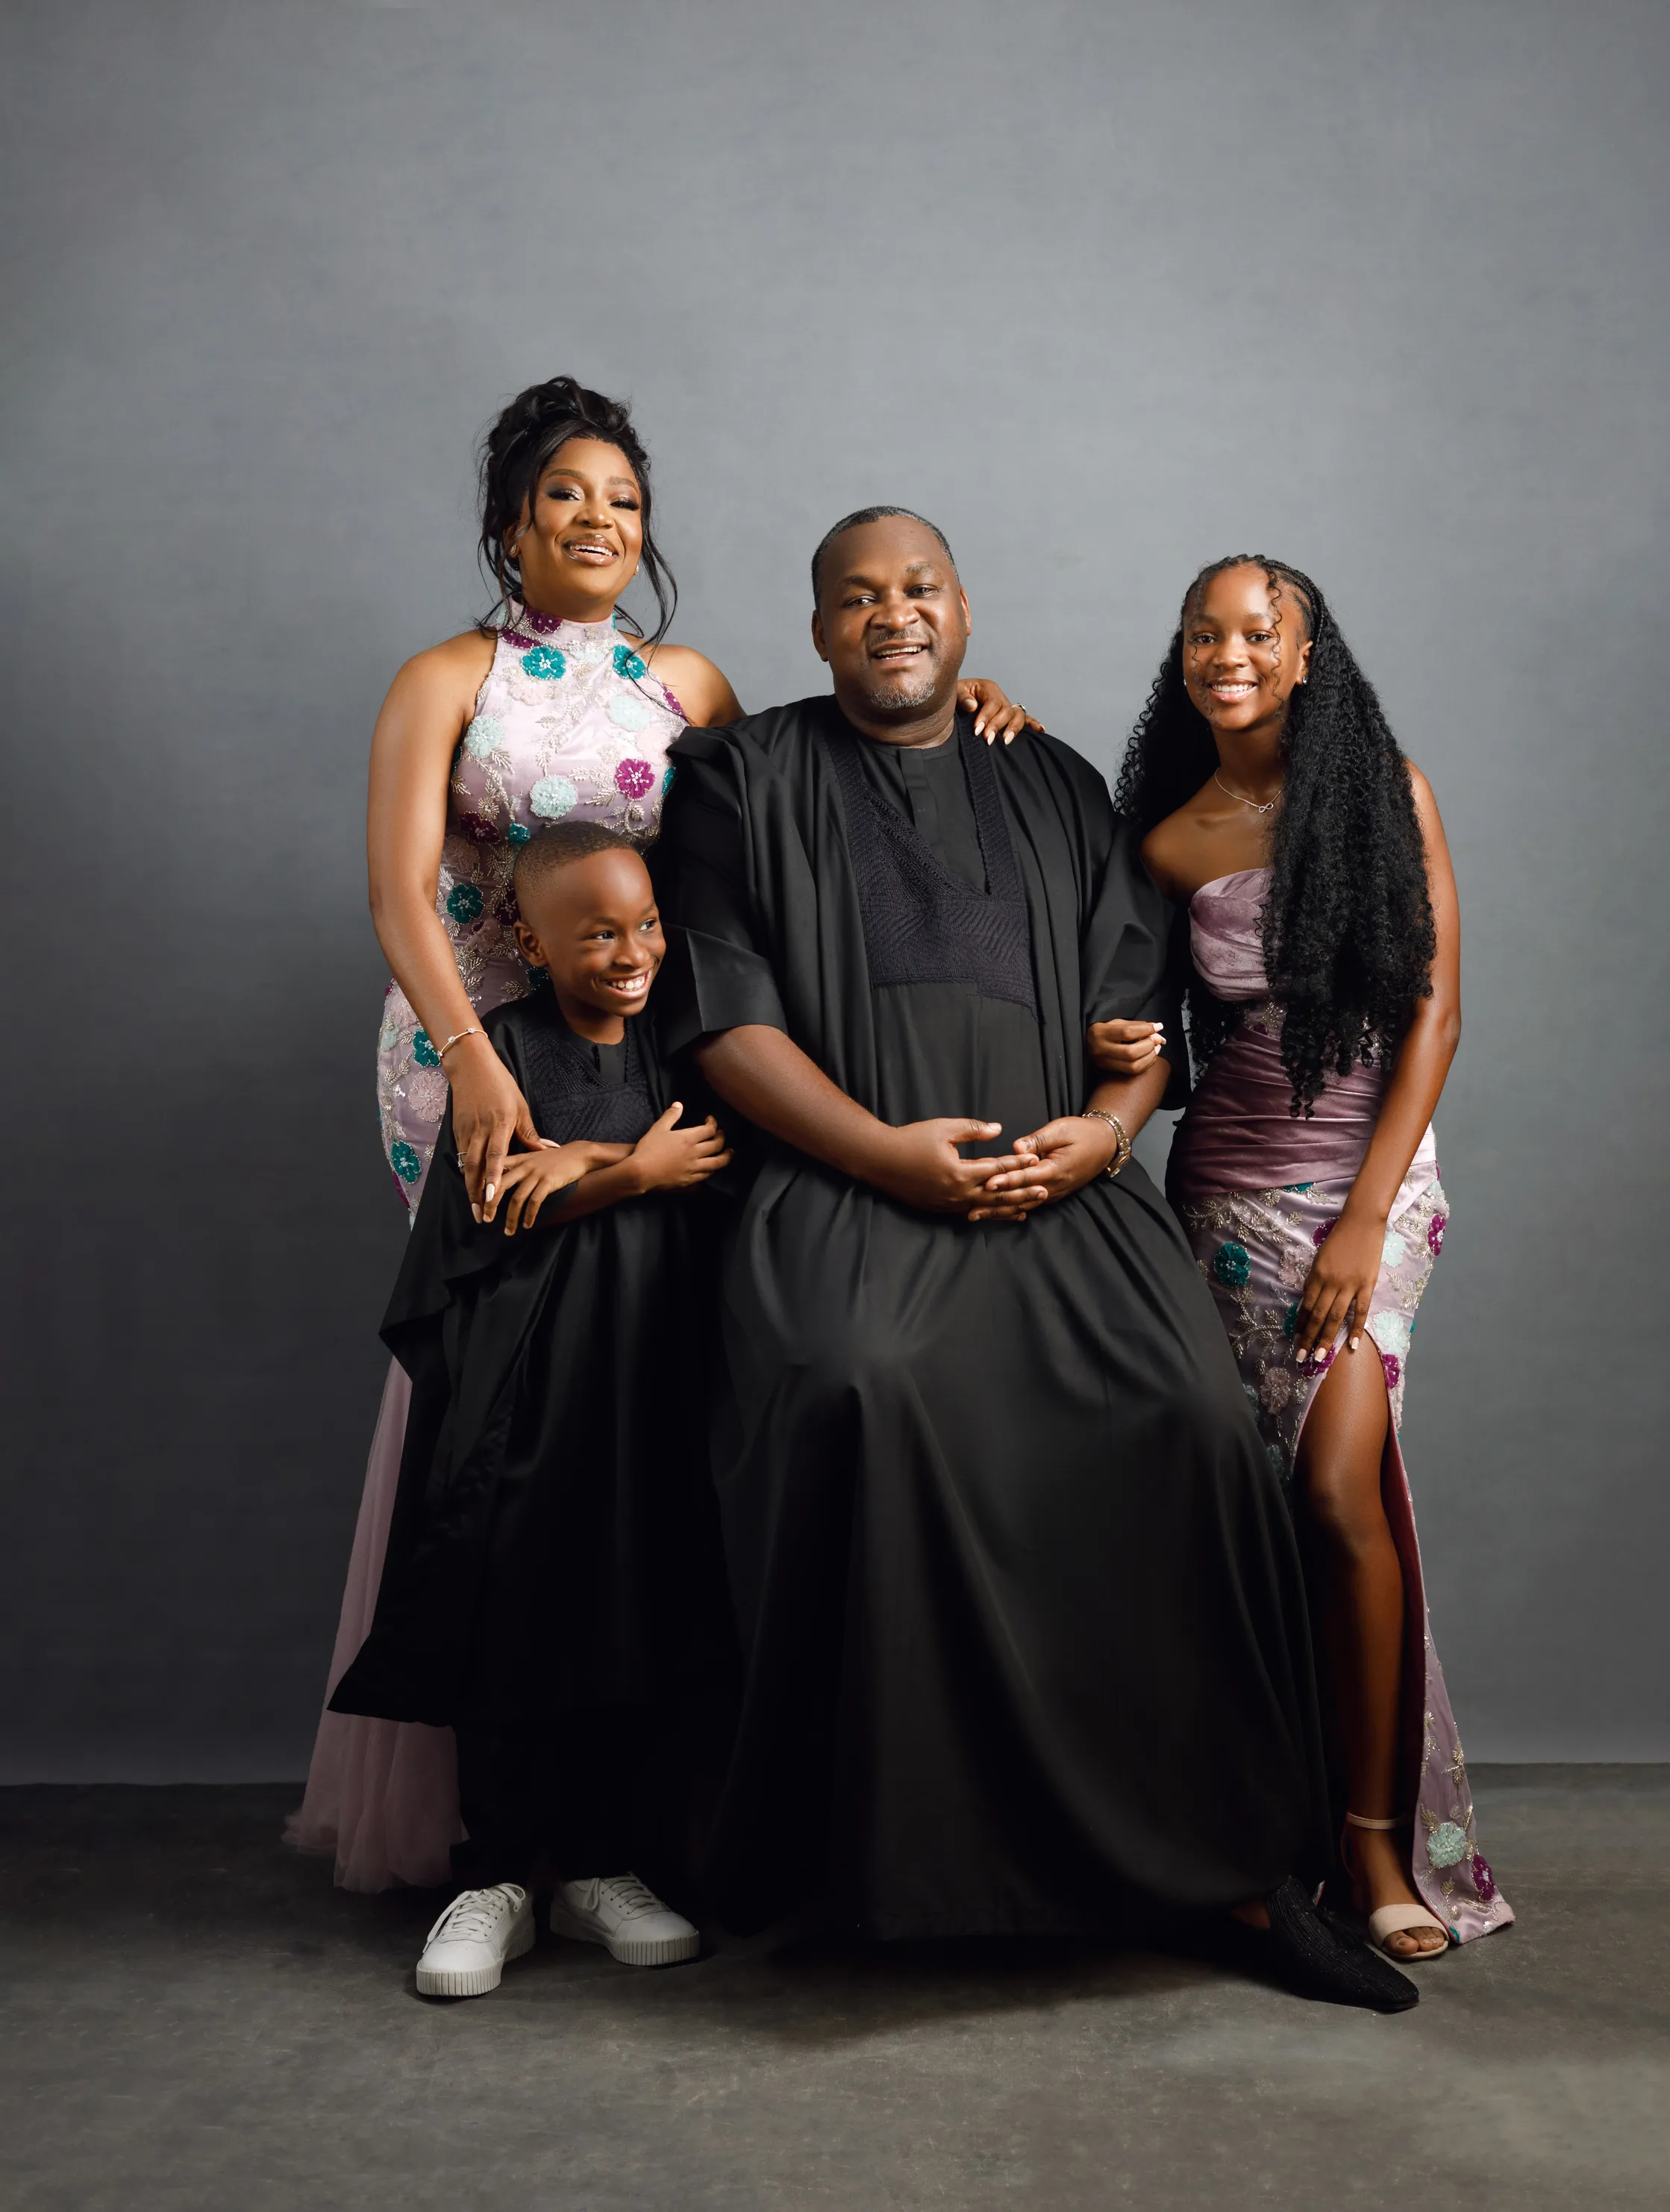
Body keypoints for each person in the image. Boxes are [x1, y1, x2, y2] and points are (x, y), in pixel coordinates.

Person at [649, 507, 1419, 2010]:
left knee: (1194, 1424)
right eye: (856, 597)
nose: (892, 616)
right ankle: (886, 1881)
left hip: (1062, 1186)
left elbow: (1140, 1020)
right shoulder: (738, 778)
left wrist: (1103, 1133)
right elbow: (727, 1023)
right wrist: (883, 1155)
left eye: (919, 588)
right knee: (857, 1387)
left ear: (966, 614)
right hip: (845, 1186)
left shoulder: (1053, 781)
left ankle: (1221, 1875)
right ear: (816, 630)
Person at [289, 379, 1034, 1890]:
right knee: (506, 1404)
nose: (599, 521)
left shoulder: (686, 683)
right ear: (509, 524)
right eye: (565, 495)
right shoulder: (445, 679)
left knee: (649, 1391)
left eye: (623, 499)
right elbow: (394, 893)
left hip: (651, 1062)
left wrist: (970, 721)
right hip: (482, 1053)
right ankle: (489, 1834)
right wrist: (475, 1070)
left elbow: (797, 818)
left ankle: (643, 1827)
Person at [1098, 555, 1512, 1958]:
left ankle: (1378, 1851)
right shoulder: (1161, 836)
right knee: (1245, 1521)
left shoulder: (1384, 795)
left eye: (1256, 632)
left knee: (1341, 1493)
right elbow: (1145, 1038)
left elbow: (1436, 1021)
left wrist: (1362, 1219)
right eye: (1203, 631)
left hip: (1369, 1189)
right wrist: (1116, 1060)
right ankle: (1254, 1827)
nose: (1227, 652)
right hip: (1221, 1199)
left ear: (1304, 656)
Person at [329, 824, 732, 1996]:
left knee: (635, 1601)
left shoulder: (680, 1046)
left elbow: (703, 1160)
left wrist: (593, 1165)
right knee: (517, 1600)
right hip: (530, 1385)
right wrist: (622, 1173)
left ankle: (603, 1866)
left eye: (645, 924)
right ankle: (496, 1873)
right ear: (528, 940)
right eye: (596, 932)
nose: (630, 950)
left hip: (650, 1375)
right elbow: (495, 1200)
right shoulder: (502, 1055)